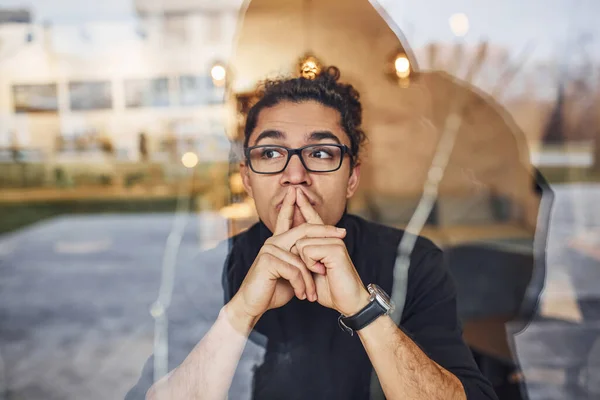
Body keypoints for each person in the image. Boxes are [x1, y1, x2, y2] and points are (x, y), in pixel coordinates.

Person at [126, 67, 497, 400]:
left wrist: (363, 310)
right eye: (271, 153)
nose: (295, 175)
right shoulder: (208, 271)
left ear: (352, 178)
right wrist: (240, 313)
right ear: (247, 179)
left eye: (320, 154)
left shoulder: (412, 260)